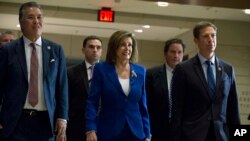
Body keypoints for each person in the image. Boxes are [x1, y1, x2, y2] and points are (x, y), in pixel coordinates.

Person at [0, 1, 68, 141]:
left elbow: (62, 87)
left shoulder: (56, 50)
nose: (36, 21)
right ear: (21, 21)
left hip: (46, 122)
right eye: (31, 17)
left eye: (39, 17)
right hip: (15, 122)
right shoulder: (8, 50)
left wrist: (62, 117)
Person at [170, 21, 240, 141]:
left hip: (221, 135)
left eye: (213, 35)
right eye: (205, 36)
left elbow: (233, 109)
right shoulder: (183, 69)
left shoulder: (228, 69)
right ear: (196, 41)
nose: (210, 39)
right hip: (192, 135)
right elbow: (177, 109)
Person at [85, 30, 151, 141]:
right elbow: (92, 102)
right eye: (122, 45)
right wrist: (90, 129)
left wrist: (147, 133)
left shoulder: (140, 71)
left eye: (130, 45)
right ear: (114, 47)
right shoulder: (101, 69)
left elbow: (143, 106)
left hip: (136, 133)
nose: (127, 48)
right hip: (108, 131)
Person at [146, 38, 185, 141]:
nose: (176, 56)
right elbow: (147, 105)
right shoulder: (152, 74)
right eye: (172, 52)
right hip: (157, 131)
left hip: (182, 131)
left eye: (179, 52)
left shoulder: (189, 75)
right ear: (165, 53)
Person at [67, 35, 103, 141]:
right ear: (83, 50)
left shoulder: (109, 73)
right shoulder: (70, 72)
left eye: (98, 47)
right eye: (91, 47)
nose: (95, 50)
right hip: (76, 127)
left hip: (101, 126)